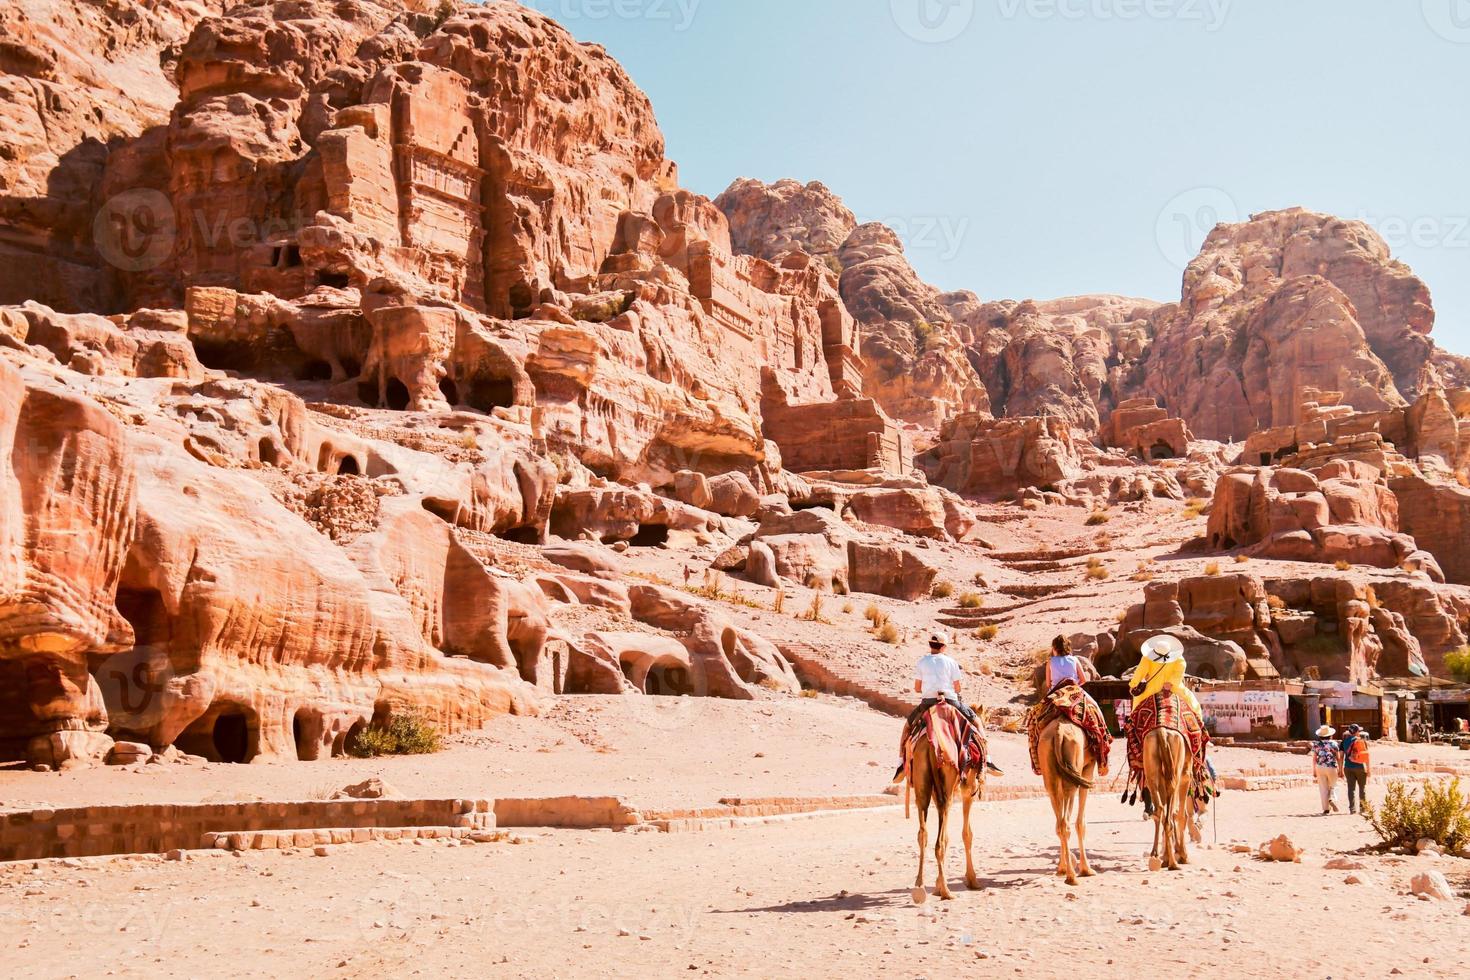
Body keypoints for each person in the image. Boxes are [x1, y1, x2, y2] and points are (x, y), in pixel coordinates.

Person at [1310, 725, 1342, 815]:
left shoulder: (1316, 744)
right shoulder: (1334, 744)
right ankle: (1333, 799)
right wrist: (1340, 769)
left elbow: (1314, 758)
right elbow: (1338, 757)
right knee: (1334, 785)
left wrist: (1314, 771)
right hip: (1331, 767)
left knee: (1323, 788)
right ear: (1330, 735)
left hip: (1320, 767)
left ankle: (1326, 809)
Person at [1340, 724, 1372, 815]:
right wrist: (1368, 769)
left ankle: (1352, 809)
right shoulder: (1362, 741)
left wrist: (1341, 769)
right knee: (1362, 788)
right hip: (1360, 767)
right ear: (1357, 732)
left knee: (1351, 789)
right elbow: (1367, 756)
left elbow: (1341, 757)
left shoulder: (1344, 742)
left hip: (1348, 767)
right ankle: (1363, 809)